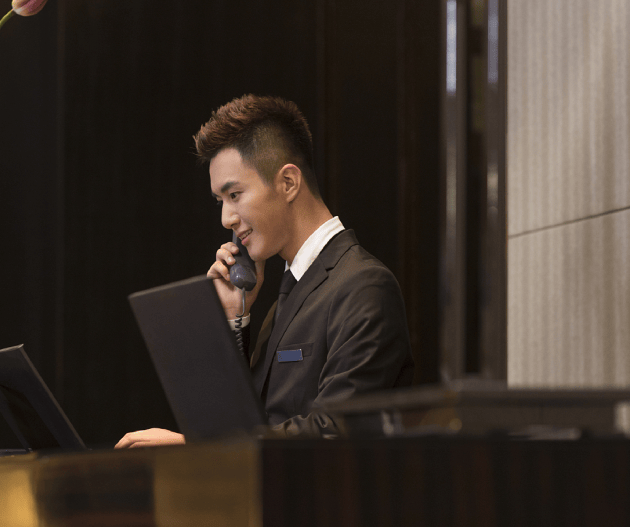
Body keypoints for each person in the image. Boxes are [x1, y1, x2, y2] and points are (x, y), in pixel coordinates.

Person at [116, 95, 414, 448]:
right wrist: (234, 318)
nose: (226, 218)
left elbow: (334, 432)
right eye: (220, 201)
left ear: (288, 182)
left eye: (234, 195)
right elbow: (240, 426)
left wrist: (194, 448)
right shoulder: (286, 297)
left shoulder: (364, 286)